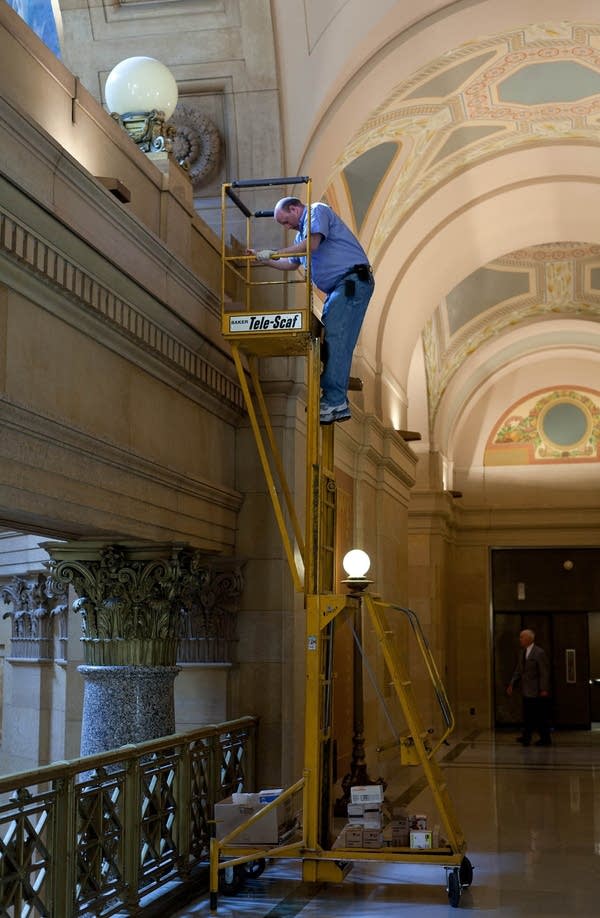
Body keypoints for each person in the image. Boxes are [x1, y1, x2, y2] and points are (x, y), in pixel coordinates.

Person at [249, 197, 374, 425]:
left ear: (295, 208)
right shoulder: (300, 237)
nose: (286, 227)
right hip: (341, 287)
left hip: (350, 282)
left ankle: (334, 400)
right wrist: (264, 258)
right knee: (333, 341)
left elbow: (312, 245)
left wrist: (275, 251)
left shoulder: (317, 210)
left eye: (285, 221)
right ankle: (335, 400)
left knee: (336, 338)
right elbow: (291, 263)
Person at [507, 629, 552, 746]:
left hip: (537, 691)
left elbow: (544, 672)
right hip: (526, 690)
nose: (520, 639)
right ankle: (526, 737)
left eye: (521, 637)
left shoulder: (539, 652)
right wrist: (512, 683)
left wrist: (544, 689)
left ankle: (545, 739)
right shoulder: (522, 652)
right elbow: (518, 670)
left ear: (528, 639)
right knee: (527, 715)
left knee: (540, 716)